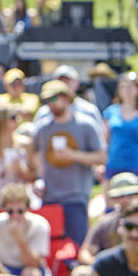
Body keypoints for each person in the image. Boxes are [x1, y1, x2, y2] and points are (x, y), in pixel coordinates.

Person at [32, 80, 106, 246]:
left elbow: (101, 157)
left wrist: (74, 155)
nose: (50, 104)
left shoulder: (85, 125)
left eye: (53, 99)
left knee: (78, 247)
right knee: (50, 248)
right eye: (46, 101)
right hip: (49, 197)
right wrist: (39, 179)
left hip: (76, 196)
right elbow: (36, 154)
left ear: (66, 97)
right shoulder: (43, 128)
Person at [0, 183, 51, 276]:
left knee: (31, 274)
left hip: (28, 268)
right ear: (4, 209)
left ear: (27, 209)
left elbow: (34, 263)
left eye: (20, 211)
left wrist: (19, 239)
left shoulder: (40, 225)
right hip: (2, 268)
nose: (15, 216)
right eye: (10, 211)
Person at [102, 73, 138, 185]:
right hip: (113, 163)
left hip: (136, 164)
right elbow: (104, 140)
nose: (126, 91)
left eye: (129, 87)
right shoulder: (110, 112)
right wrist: (101, 163)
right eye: (122, 87)